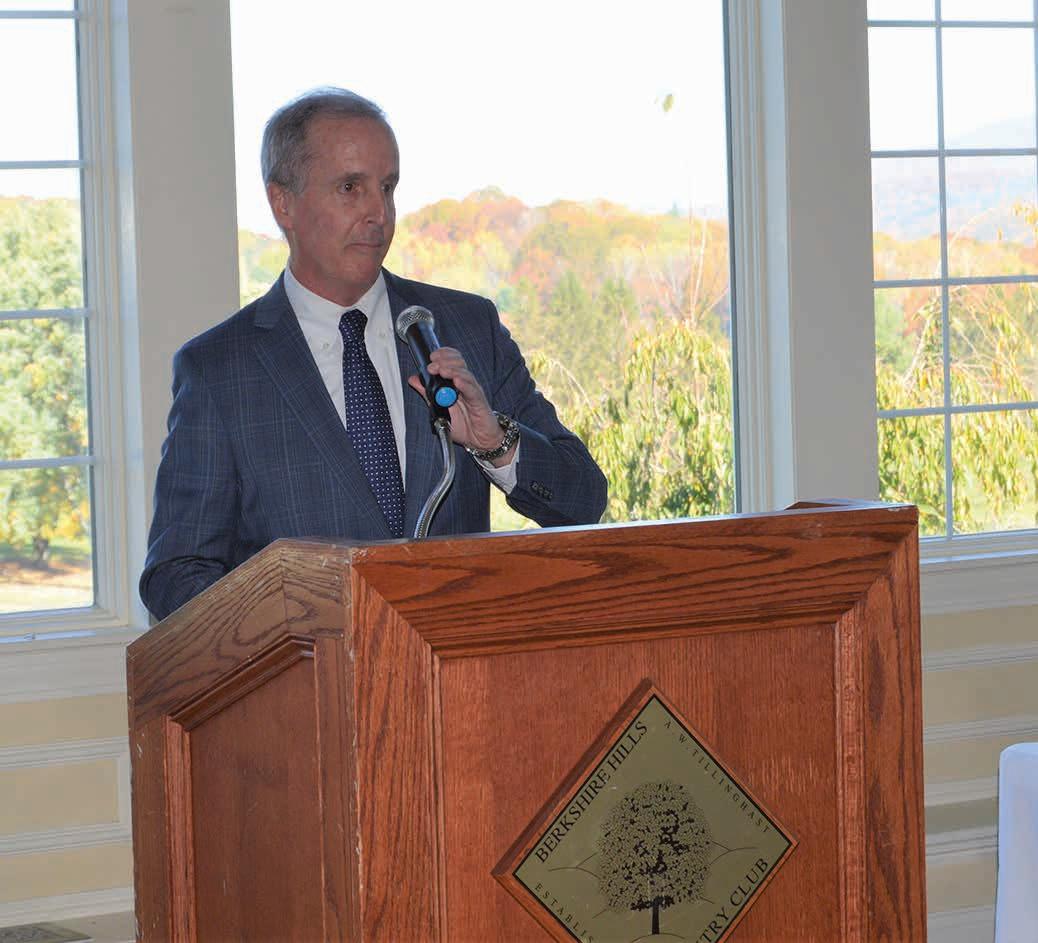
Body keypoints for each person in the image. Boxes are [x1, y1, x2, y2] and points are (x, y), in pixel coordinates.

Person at [139, 87, 607, 621]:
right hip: (309, 670)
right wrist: (294, 632)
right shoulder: (219, 369)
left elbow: (583, 501)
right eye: (350, 188)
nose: (378, 213)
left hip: (457, 666)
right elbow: (176, 575)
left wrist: (494, 443)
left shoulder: (465, 329)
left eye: (387, 188)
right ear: (282, 202)